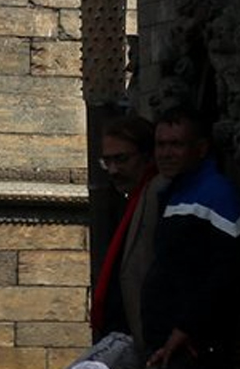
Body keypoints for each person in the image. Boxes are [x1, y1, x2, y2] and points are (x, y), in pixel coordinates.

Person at [140, 108, 240, 369]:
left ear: (200, 148)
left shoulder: (217, 193)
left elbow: (226, 271)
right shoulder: (172, 192)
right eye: (160, 145)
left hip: (197, 346)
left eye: (176, 145)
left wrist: (187, 327)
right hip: (168, 344)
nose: (165, 153)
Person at [91, 115, 160, 351]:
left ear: (148, 156)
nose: (113, 170)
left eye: (121, 159)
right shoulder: (135, 199)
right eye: (106, 162)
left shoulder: (157, 196)